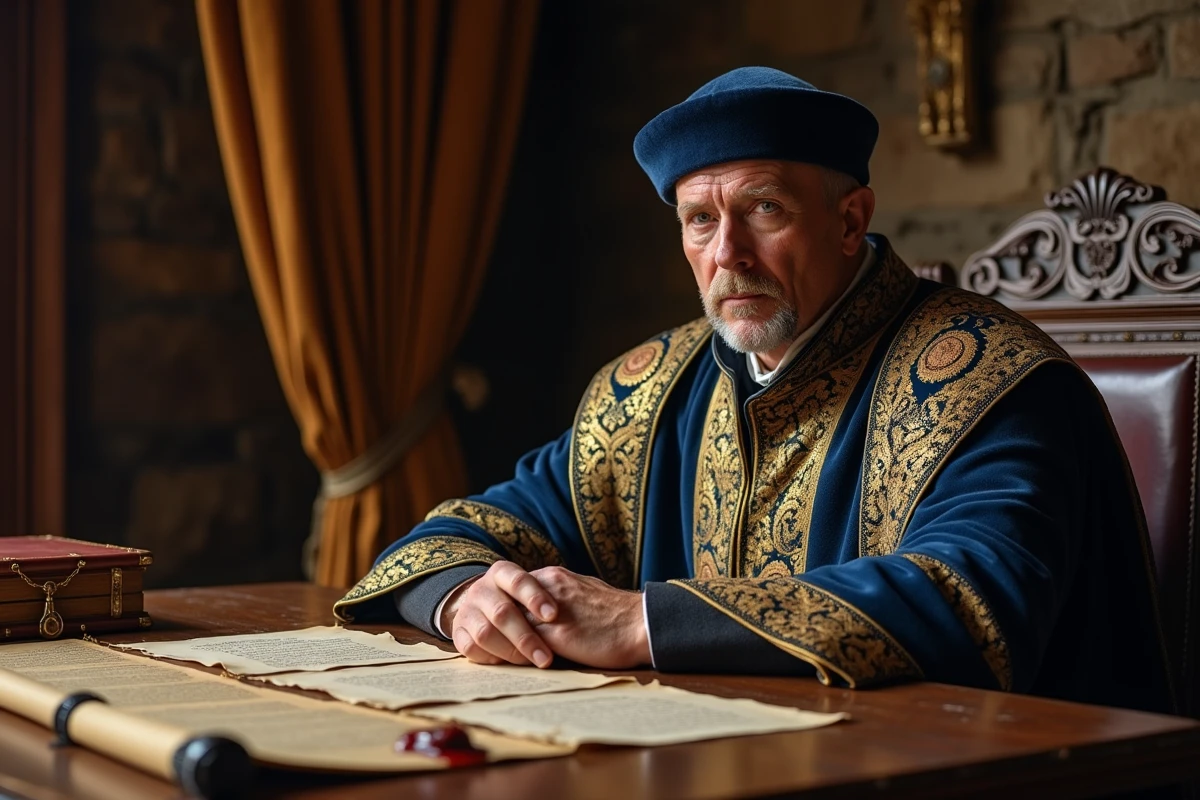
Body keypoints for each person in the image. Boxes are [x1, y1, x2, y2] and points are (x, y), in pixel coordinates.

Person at [334, 67, 1173, 713]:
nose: (727, 252)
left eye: (763, 208)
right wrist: (469, 600)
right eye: (701, 219)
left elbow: (971, 597)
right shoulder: (648, 391)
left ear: (850, 221)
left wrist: (637, 622)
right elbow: (457, 532)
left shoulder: (989, 381)